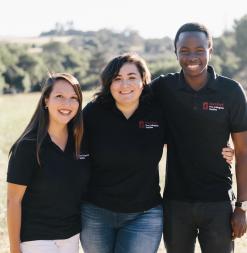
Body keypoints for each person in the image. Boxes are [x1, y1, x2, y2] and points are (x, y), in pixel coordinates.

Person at [80, 53, 234, 253]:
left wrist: (223, 148)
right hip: (96, 212)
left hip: (144, 214)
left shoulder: (158, 112)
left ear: (144, 81)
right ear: (108, 83)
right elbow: (71, 150)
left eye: (132, 77)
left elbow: (188, 139)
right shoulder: (93, 113)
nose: (124, 84)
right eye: (117, 78)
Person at [151, 22, 247, 253]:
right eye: (184, 50)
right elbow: (128, 98)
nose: (192, 56)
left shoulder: (231, 91)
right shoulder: (163, 87)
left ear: (210, 50)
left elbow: (243, 151)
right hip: (175, 203)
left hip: (218, 204)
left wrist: (241, 207)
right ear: (175, 52)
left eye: (199, 50)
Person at [7, 73, 90, 253]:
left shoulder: (80, 142)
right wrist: (14, 248)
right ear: (46, 100)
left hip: (71, 236)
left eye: (73, 98)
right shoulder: (28, 146)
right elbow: (13, 200)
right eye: (59, 96)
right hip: (37, 239)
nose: (67, 104)